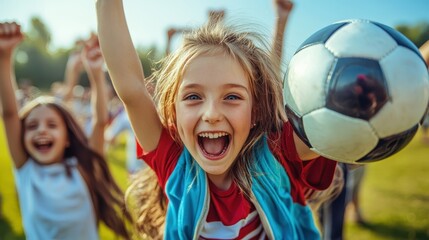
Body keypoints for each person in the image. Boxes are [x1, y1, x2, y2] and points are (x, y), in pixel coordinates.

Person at [96, 0, 338, 239]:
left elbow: (328, 131)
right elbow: (131, 89)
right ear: (173, 111)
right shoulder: (173, 163)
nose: (211, 114)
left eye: (232, 96)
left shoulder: (277, 154)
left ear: (256, 111)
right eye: (193, 96)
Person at [0, 22, 130, 240]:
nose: (41, 130)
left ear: (68, 138)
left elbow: (99, 122)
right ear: (22, 137)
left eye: (52, 125)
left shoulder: (84, 169)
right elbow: (10, 114)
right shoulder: (25, 170)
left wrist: (96, 72)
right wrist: (4, 56)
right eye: (32, 126)